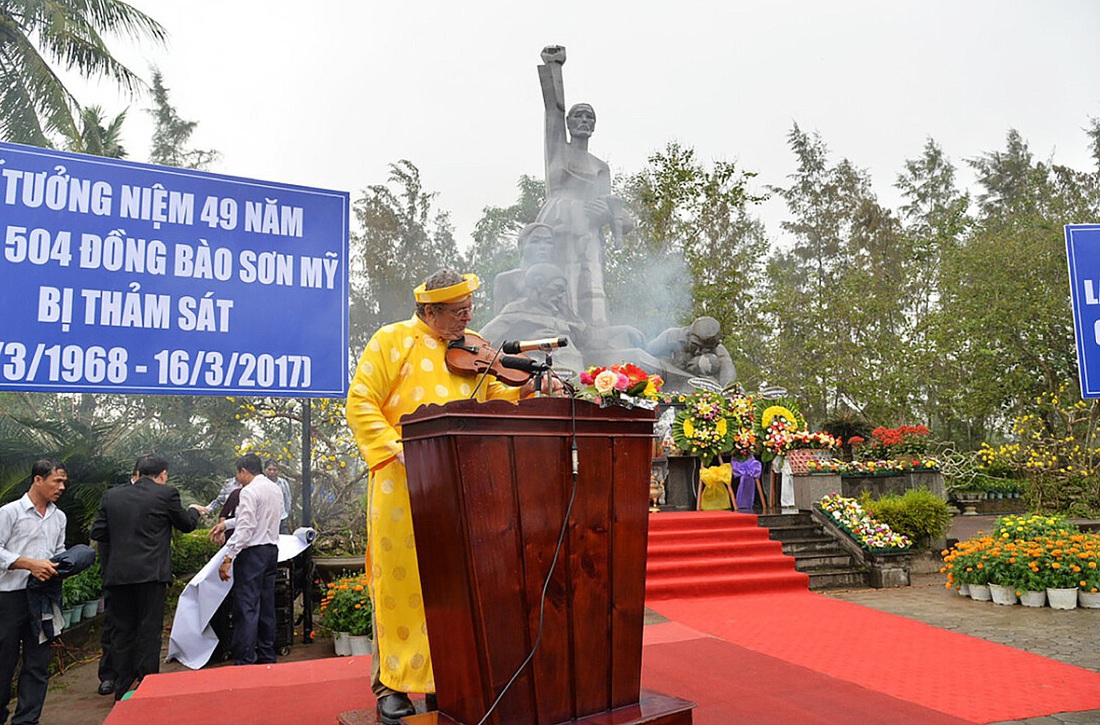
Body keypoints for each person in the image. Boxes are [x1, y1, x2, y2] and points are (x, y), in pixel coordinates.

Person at [346, 269, 557, 725]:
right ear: (428, 311)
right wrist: (394, 450)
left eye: (468, 310)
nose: (467, 319)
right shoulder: (391, 339)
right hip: (402, 482)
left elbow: (500, 393)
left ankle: (451, 679)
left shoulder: (475, 344)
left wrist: (530, 387)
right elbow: (360, 401)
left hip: (464, 482)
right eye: (457, 312)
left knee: (458, 584)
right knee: (402, 582)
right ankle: (392, 685)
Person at [536, 45, 633, 327]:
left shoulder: (600, 165)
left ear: (594, 125)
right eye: (578, 116)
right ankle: (560, 323)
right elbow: (552, 109)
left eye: (589, 117)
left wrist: (606, 214)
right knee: (562, 272)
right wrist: (555, 67)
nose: (583, 121)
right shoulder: (558, 150)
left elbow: (609, 206)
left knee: (590, 274)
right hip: (559, 219)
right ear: (568, 123)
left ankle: (594, 329)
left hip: (588, 229)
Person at [91, 454, 203, 700]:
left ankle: (123, 690)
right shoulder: (166, 494)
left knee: (122, 632)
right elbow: (185, 524)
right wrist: (194, 511)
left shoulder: (112, 496)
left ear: (138, 473)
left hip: (118, 576)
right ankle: (147, 688)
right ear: (163, 474)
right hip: (151, 575)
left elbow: (98, 531)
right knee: (148, 631)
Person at [0, 460, 68, 724]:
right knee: (3, 661)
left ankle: (27, 720)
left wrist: (64, 565)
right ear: (38, 480)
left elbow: (59, 551)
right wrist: (28, 563)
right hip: (10, 597)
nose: (62, 487)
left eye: (64, 482)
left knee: (38, 663)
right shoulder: (10, 513)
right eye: (57, 481)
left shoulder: (59, 516)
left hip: (43, 598)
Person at [211, 453, 283, 666]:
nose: (237, 478)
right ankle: (267, 654)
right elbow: (253, 518)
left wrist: (229, 556)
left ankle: (245, 658)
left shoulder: (249, 491)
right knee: (267, 603)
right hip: (271, 550)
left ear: (244, 471)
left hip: (252, 554)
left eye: (238, 473)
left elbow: (247, 527)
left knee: (247, 606)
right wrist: (227, 524)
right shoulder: (274, 488)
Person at [646, 316, 737, 391]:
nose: (698, 351)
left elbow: (728, 374)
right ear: (688, 335)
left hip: (694, 387)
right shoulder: (671, 336)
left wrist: (727, 390)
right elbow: (646, 354)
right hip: (666, 381)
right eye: (695, 345)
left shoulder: (719, 350)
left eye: (706, 349)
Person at [491, 222, 557, 315]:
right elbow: (500, 319)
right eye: (535, 241)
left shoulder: (558, 282)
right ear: (521, 245)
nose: (543, 247)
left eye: (549, 242)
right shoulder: (506, 279)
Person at [263, 460, 293, 534]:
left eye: (274, 470)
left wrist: (285, 514)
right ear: (264, 471)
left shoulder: (283, 483)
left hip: (281, 520)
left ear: (278, 471)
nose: (272, 472)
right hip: (265, 521)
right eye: (269, 469)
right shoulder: (261, 484)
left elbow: (287, 500)